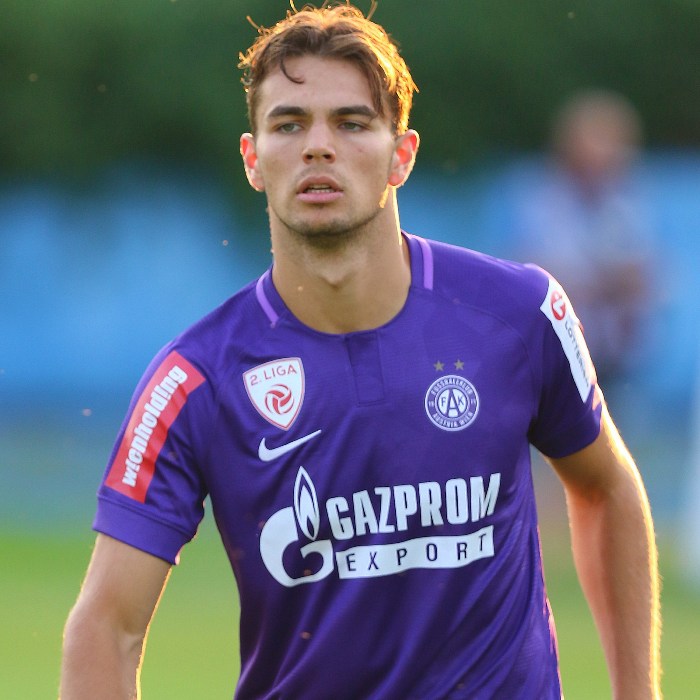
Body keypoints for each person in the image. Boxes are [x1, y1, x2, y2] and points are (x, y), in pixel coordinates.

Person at [60, 4, 661, 698]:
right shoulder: (197, 379)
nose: (318, 147)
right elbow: (105, 627)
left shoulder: (518, 314)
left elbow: (606, 485)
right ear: (253, 159)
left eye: (351, 123)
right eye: (289, 124)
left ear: (401, 154)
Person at [507, 89, 656, 389]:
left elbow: (641, 277)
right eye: (595, 140)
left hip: (613, 357)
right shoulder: (536, 198)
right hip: (550, 354)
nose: (604, 154)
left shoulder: (627, 200)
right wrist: (607, 283)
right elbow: (535, 278)